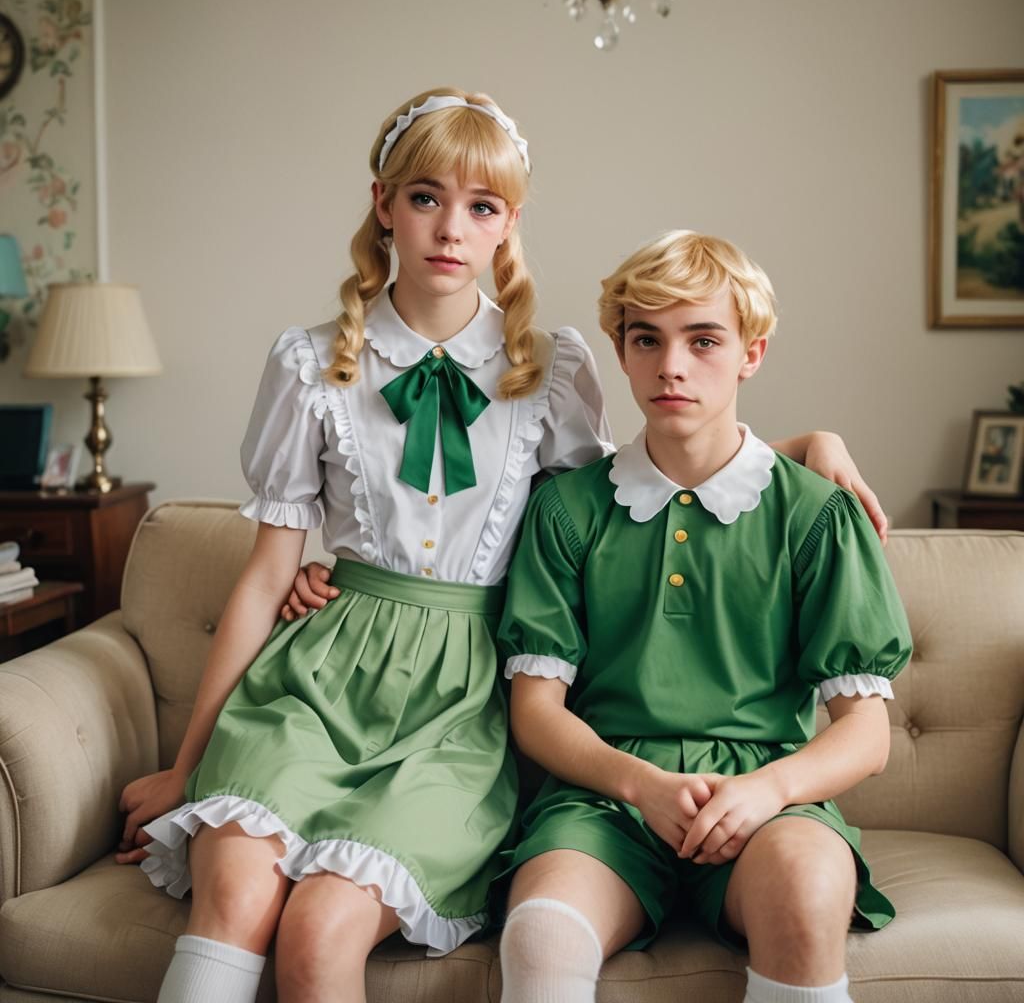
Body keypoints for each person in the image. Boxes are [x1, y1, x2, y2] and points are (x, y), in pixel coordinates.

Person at [114, 85, 887, 1003]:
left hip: (463, 695)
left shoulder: (553, 369)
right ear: (384, 204)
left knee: (321, 929)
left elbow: (648, 472)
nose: (450, 229)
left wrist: (802, 448)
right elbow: (263, 575)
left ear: (508, 223)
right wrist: (187, 765)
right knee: (236, 896)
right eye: (425, 198)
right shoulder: (308, 362)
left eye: (481, 206)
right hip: (321, 677)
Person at [494, 231, 913, 1003]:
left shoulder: (817, 514)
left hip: (768, 798)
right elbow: (536, 713)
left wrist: (767, 791)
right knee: (542, 935)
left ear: (752, 353)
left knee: (807, 894)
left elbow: (867, 733)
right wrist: (642, 785)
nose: (672, 365)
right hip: (605, 800)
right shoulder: (567, 511)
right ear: (621, 353)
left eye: (703, 340)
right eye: (646, 339)